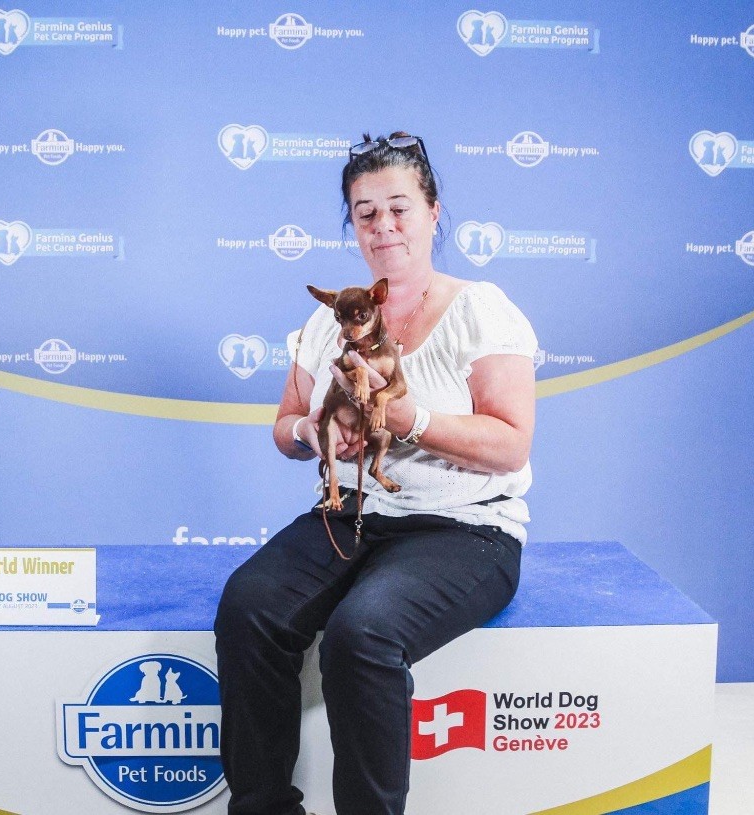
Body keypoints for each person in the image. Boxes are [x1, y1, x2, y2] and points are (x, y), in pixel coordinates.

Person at [214, 132, 537, 815]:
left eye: (399, 208)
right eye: (366, 213)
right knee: (249, 606)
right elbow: (286, 425)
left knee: (363, 634)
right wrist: (314, 433)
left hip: (466, 530)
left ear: (433, 213)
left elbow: (511, 444)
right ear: (353, 226)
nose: (384, 225)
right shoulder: (327, 321)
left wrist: (409, 419)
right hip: (353, 516)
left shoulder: (481, 310)